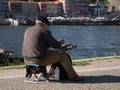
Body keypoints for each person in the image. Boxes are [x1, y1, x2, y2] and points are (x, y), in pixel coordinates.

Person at [22, 16, 84, 81]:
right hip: (38, 60)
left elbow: (36, 46)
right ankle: (73, 76)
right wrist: (61, 43)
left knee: (43, 54)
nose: (48, 27)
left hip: (26, 60)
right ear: (44, 24)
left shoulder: (28, 30)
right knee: (63, 55)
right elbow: (55, 45)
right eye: (48, 25)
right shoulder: (44, 31)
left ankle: (43, 74)